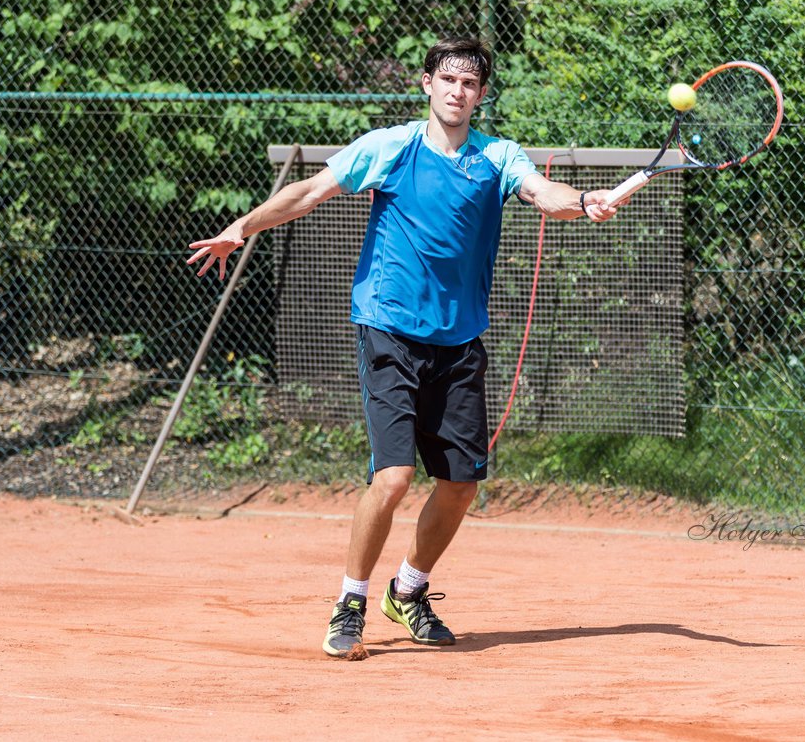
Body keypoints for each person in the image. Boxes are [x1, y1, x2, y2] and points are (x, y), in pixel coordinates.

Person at [188, 37, 618, 659]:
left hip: (460, 342)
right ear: (426, 84)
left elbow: (539, 195)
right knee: (392, 479)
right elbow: (309, 191)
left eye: (470, 83)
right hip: (389, 330)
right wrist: (241, 228)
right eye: (447, 79)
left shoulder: (498, 157)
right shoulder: (390, 147)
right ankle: (350, 602)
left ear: (481, 94)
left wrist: (582, 201)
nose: (457, 91)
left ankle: (408, 590)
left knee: (460, 484)